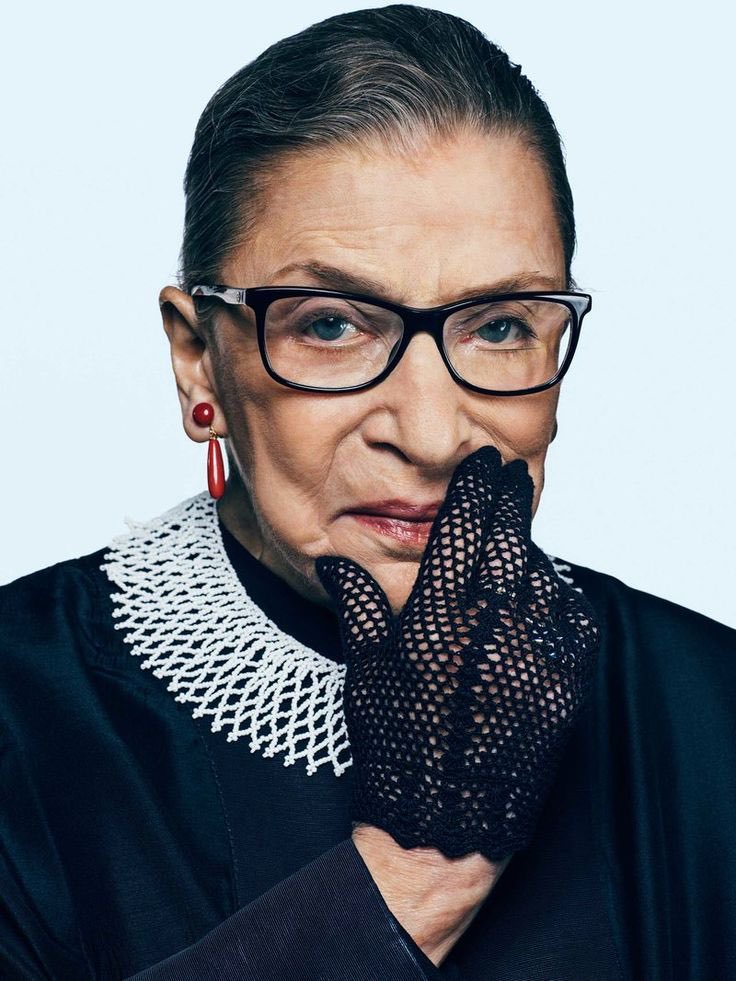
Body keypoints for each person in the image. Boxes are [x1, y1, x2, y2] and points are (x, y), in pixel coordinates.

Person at [1, 5, 734, 980]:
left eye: (501, 326)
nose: (429, 434)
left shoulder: (712, 711)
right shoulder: (21, 714)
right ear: (198, 358)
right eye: (331, 325)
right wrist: (411, 879)